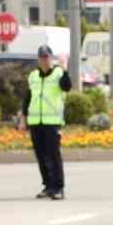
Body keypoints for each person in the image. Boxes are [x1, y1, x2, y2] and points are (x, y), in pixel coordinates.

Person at [18, 45, 71, 200]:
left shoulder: (58, 73)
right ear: (38, 59)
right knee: (41, 155)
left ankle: (58, 187)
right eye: (41, 57)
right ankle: (48, 186)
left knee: (53, 155)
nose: (44, 60)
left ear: (51, 58)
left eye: (47, 57)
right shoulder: (33, 76)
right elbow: (28, 99)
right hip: (35, 122)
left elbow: (67, 87)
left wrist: (64, 67)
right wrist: (23, 119)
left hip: (52, 122)